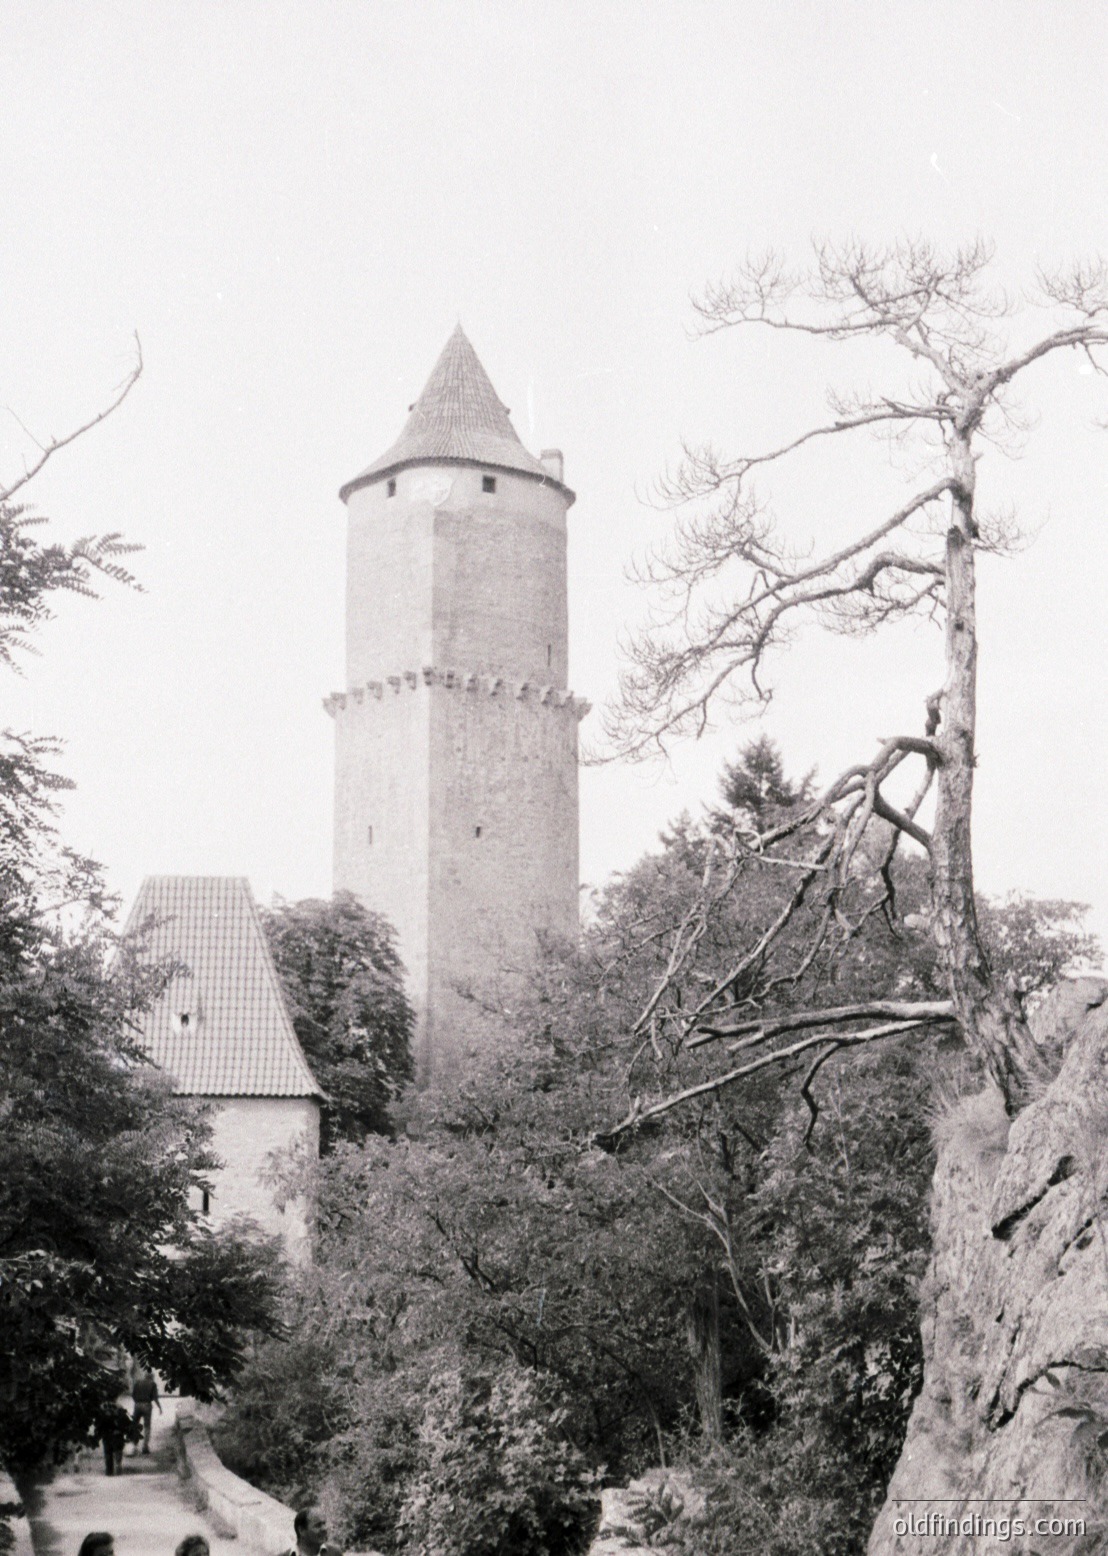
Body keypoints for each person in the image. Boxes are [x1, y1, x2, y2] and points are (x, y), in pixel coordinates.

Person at [130, 1367, 162, 1454]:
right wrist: (159, 1407)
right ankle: (145, 1447)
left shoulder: (138, 1382)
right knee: (147, 1426)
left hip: (137, 1404)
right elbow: (155, 1398)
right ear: (152, 1377)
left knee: (135, 1425)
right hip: (147, 1405)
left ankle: (133, 1446)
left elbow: (133, 1394)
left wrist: (137, 1402)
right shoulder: (153, 1384)